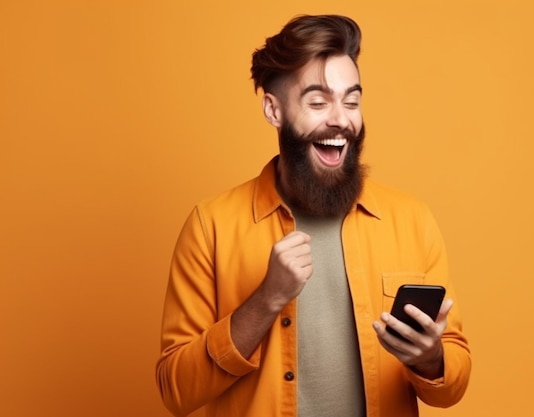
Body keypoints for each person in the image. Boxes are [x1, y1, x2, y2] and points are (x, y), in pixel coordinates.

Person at [156, 14, 471, 417]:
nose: (340, 118)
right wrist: (267, 299)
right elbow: (175, 391)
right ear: (273, 109)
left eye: (352, 100)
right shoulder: (210, 226)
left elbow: (453, 382)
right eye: (318, 101)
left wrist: (429, 358)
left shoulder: (412, 220)